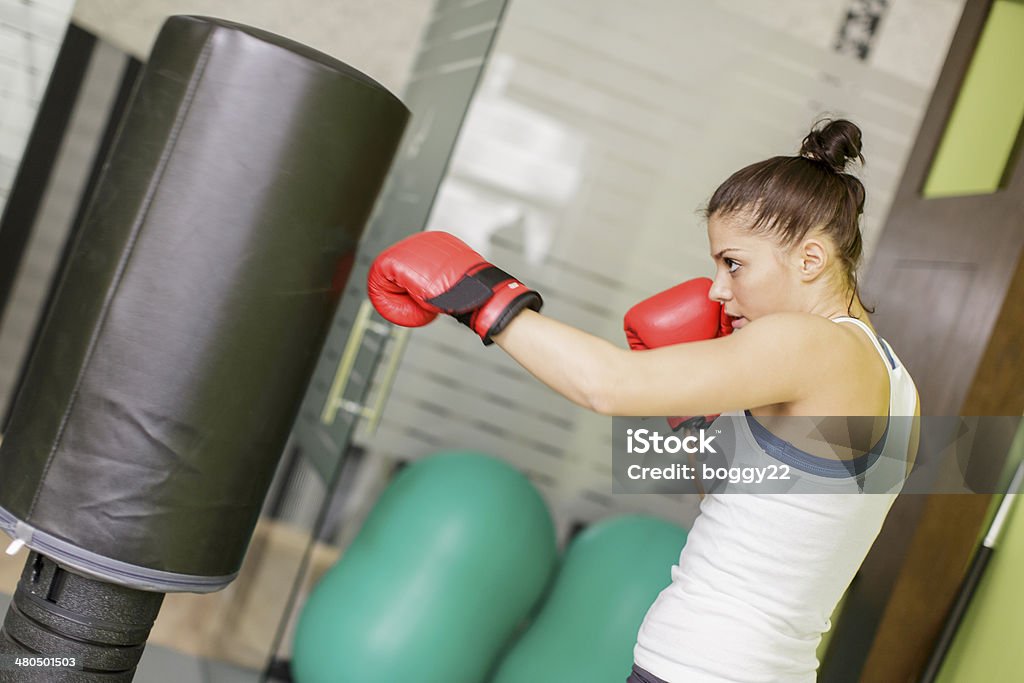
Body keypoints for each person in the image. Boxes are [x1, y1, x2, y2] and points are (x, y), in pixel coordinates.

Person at [366, 118, 920, 683]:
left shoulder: (807, 344)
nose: (717, 290)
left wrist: (477, 292)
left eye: (734, 262)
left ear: (809, 259)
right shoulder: (895, 379)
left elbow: (605, 385)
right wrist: (698, 415)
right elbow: (743, 505)